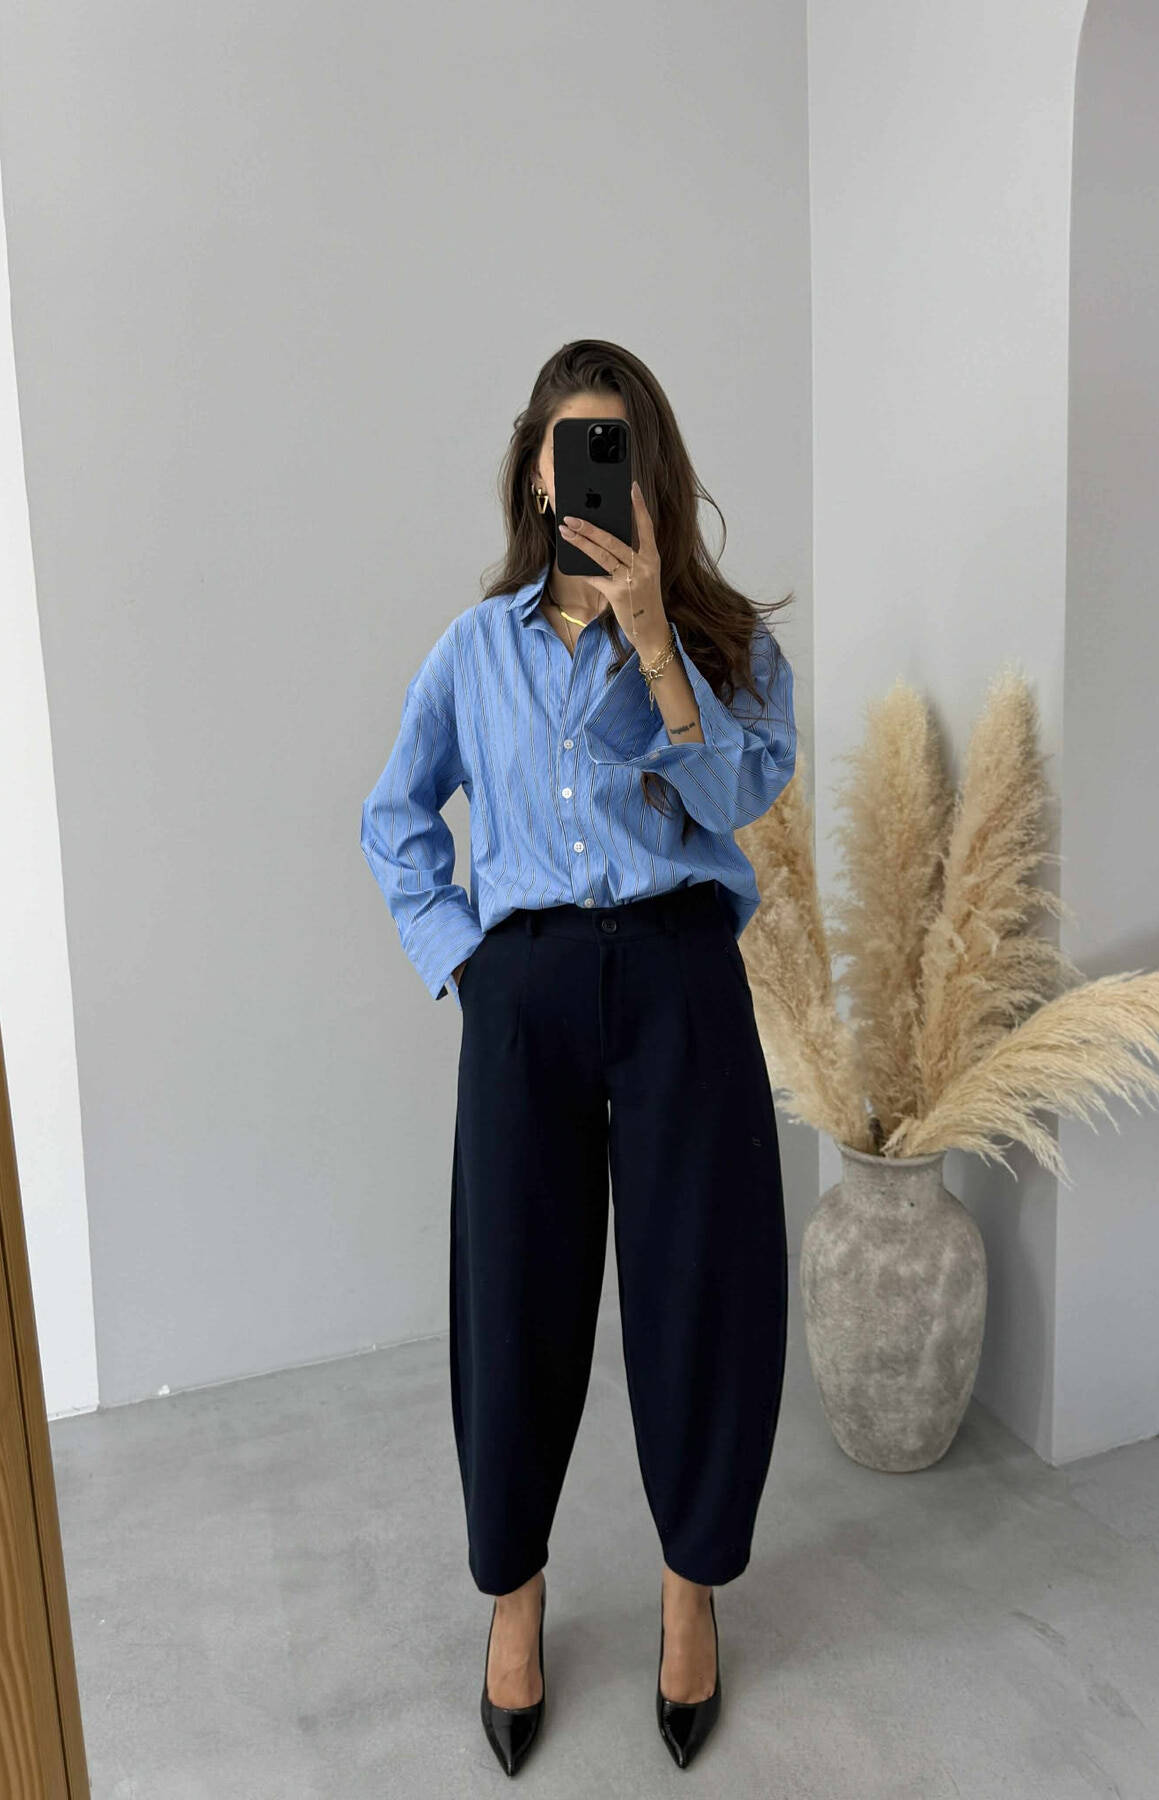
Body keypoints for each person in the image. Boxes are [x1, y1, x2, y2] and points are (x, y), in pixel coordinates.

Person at [360, 339, 797, 1775]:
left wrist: (657, 636)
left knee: (703, 1290)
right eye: (570, 448)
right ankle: (514, 1595)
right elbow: (395, 819)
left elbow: (743, 796)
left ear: (647, 469)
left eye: (616, 445)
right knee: (513, 1301)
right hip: (527, 995)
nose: (590, 472)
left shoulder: (721, 642)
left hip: (680, 979)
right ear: (538, 476)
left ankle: (691, 1590)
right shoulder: (474, 651)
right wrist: (467, 963)